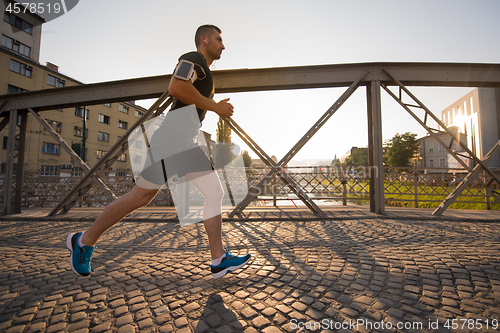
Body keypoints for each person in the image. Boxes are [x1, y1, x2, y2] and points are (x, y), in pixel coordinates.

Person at [66, 25, 251, 280]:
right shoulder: (193, 58)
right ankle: (84, 241)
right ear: (204, 39)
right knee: (139, 198)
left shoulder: (204, 71)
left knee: (212, 192)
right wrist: (215, 107)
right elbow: (176, 87)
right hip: (171, 140)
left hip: (185, 142)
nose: (223, 45)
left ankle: (218, 259)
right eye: (219, 39)